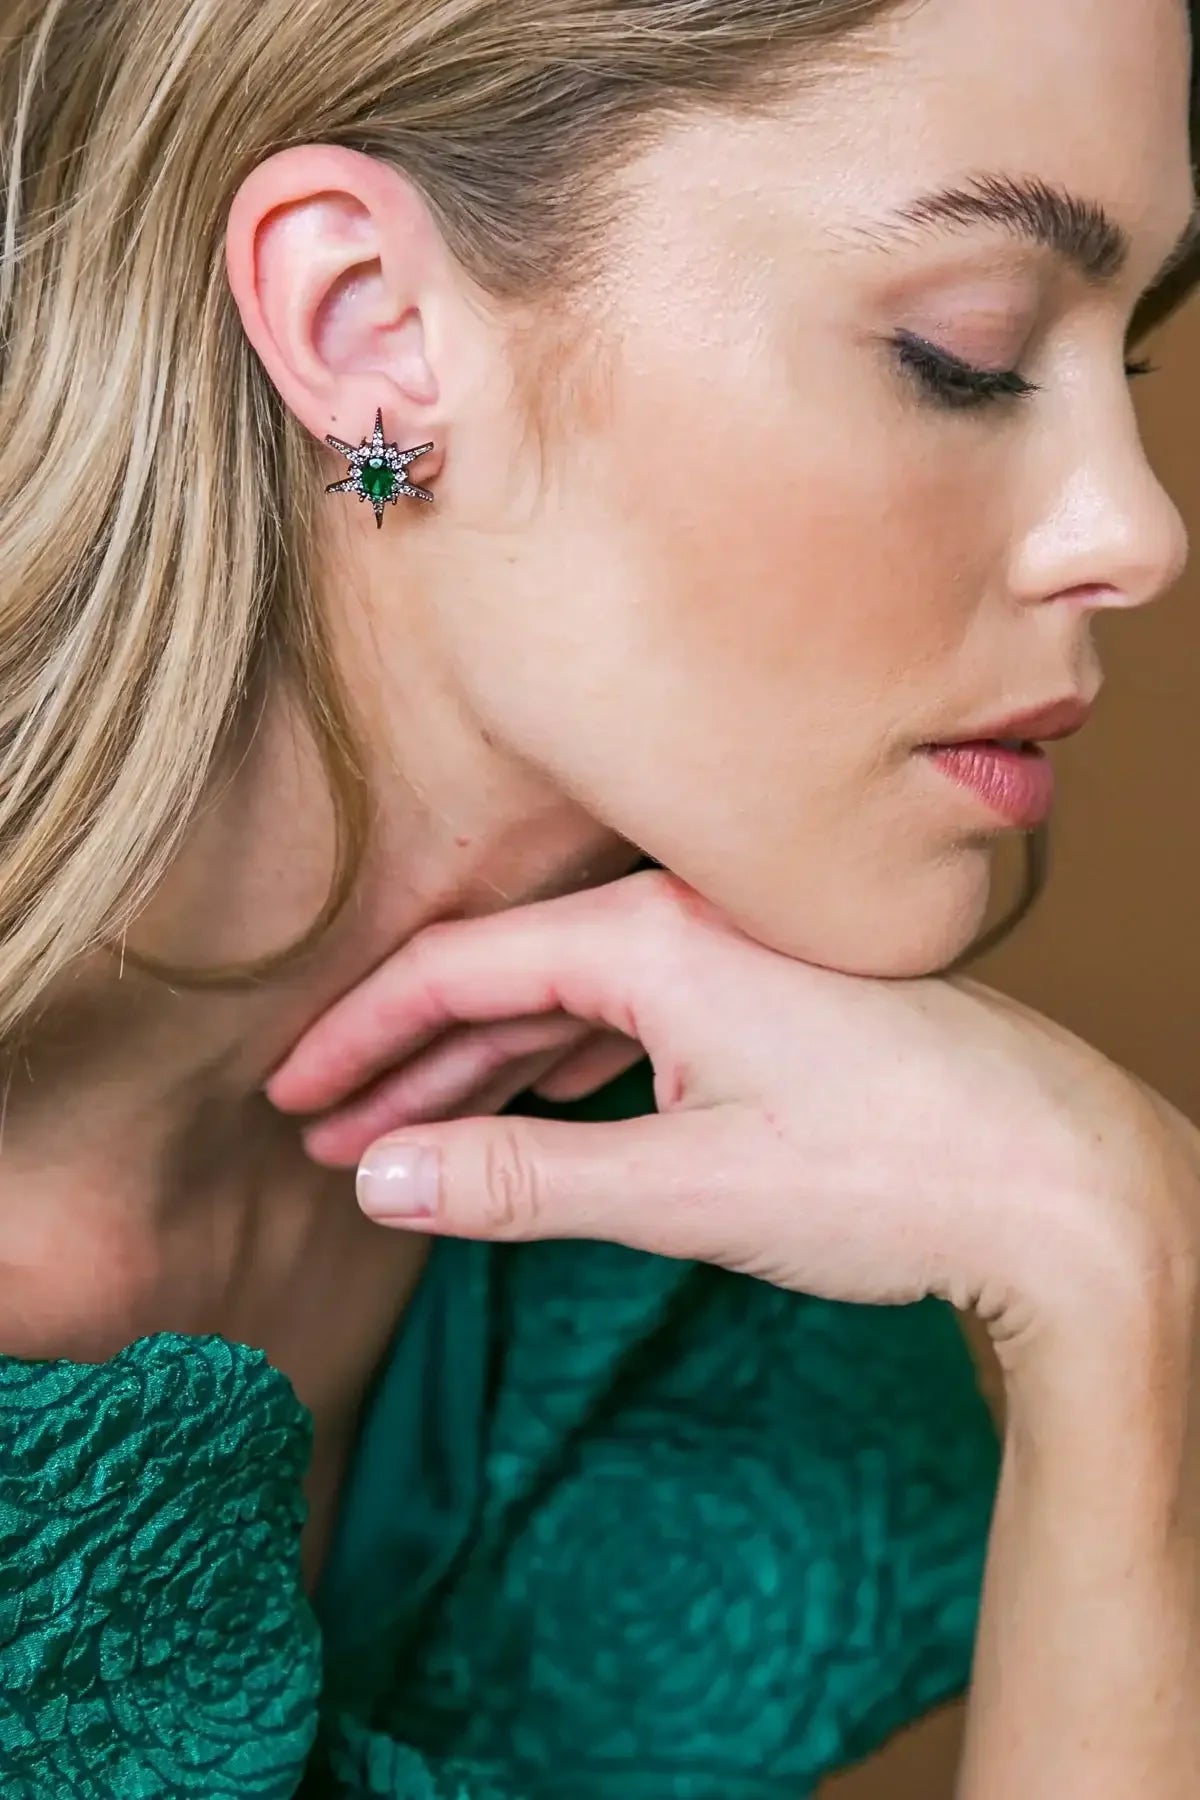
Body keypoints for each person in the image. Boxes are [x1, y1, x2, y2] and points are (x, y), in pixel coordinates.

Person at [0, 0, 1196, 1795]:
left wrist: (1125, 1279)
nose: (1141, 532)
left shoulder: (714, 1205)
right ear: (368, 326)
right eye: (969, 350)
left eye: (1140, 363)